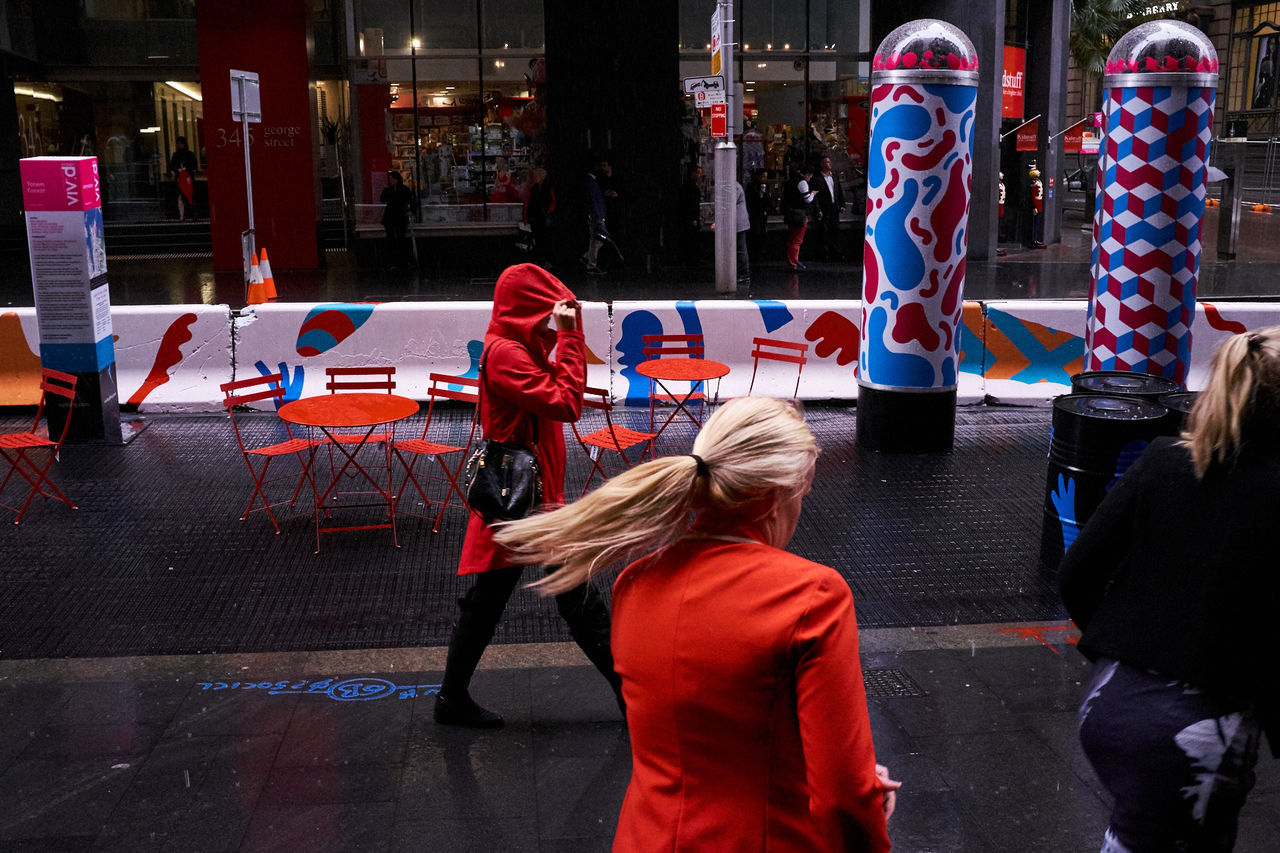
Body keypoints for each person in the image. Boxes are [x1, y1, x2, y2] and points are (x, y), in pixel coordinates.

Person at [492, 397, 900, 851]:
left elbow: (706, 734)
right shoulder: (812, 596)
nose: (800, 509)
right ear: (773, 495)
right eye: (802, 494)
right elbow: (841, 797)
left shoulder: (635, 582)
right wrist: (859, 790)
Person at [1059, 326, 1280, 853]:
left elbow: (1078, 574)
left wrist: (1121, 649)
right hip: (1201, 730)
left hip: (1109, 703)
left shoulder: (1163, 460)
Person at [435, 263, 622, 729]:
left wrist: (559, 338)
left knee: (495, 602)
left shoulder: (518, 345)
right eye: (545, 311)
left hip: (526, 496)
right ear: (526, 309)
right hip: (523, 499)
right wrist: (571, 339)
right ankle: (632, 695)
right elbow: (567, 403)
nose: (552, 320)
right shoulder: (507, 353)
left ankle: (451, 699)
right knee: (574, 599)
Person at [781, 164, 816, 272]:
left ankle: (791, 261)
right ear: (807, 174)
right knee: (797, 240)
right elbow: (807, 199)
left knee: (791, 239)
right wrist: (813, 194)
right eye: (810, 176)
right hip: (799, 214)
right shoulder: (802, 182)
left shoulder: (792, 180)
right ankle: (793, 263)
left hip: (790, 213)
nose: (810, 179)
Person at [379, 170, 414, 270]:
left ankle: (402, 260)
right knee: (391, 239)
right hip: (390, 216)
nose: (391, 181)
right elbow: (382, 199)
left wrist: (410, 211)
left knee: (400, 238)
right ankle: (392, 261)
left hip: (399, 216)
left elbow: (411, 200)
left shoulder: (404, 189)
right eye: (390, 179)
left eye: (393, 179)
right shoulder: (388, 190)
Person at [813, 155, 846, 261]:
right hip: (824, 208)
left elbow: (838, 191)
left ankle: (837, 253)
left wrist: (842, 205)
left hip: (834, 208)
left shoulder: (834, 177)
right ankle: (825, 255)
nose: (829, 164)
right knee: (824, 231)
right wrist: (818, 209)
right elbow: (815, 196)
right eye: (827, 162)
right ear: (822, 164)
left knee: (836, 230)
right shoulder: (817, 179)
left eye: (829, 162)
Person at [523, 167, 557, 269]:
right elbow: (528, 203)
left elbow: (553, 202)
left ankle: (546, 260)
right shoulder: (534, 189)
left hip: (543, 217)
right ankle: (541, 260)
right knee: (538, 240)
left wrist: (548, 212)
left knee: (545, 240)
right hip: (536, 218)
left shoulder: (547, 187)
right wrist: (525, 216)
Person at [581, 161, 610, 276]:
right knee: (598, 239)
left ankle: (587, 258)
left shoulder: (590, 182)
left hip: (595, 215)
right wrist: (598, 216)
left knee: (596, 239)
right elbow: (593, 201)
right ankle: (591, 264)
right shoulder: (591, 183)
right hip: (596, 216)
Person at [167, 136, 198, 221]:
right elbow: (194, 166)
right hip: (188, 178)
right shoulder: (190, 154)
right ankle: (192, 215)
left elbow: (172, 166)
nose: (177, 145)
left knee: (181, 197)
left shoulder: (176, 155)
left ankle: (182, 216)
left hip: (180, 178)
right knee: (190, 196)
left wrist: (177, 170)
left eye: (179, 143)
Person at [679, 163, 705, 265]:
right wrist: (693, 218)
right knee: (692, 237)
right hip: (691, 216)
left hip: (692, 215)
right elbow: (690, 203)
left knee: (693, 237)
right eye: (698, 173)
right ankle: (692, 259)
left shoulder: (692, 185)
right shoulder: (690, 186)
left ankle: (693, 258)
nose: (699, 176)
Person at [745, 167, 770, 261]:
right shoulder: (751, 186)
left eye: (766, 177)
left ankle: (760, 254)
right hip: (754, 214)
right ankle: (755, 254)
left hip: (762, 214)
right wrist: (759, 195)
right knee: (755, 233)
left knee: (762, 234)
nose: (764, 179)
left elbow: (767, 200)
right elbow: (751, 201)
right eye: (763, 177)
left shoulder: (765, 186)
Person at [734, 180, 751, 287]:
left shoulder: (734, 187)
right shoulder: (736, 186)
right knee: (740, 249)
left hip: (738, 223)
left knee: (740, 250)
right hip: (738, 223)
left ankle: (744, 274)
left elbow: (729, 204)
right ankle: (742, 273)